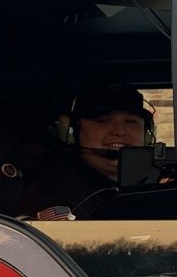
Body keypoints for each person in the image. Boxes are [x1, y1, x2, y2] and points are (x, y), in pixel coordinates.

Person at [18, 83, 160, 219]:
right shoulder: (55, 191)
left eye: (130, 121)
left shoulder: (150, 184)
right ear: (73, 133)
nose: (119, 131)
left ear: (147, 135)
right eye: (102, 121)